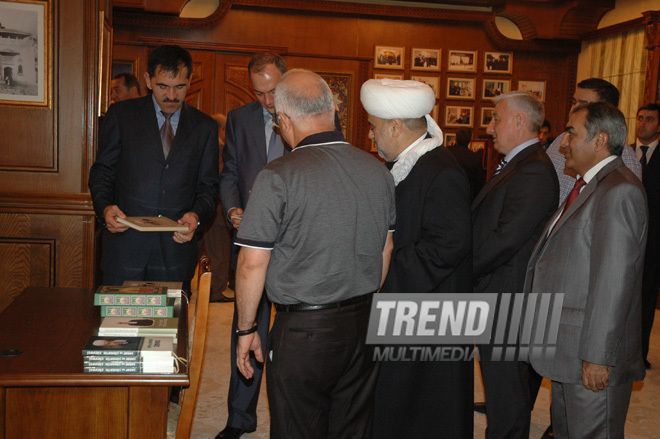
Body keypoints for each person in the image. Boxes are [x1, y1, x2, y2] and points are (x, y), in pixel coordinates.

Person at [234, 69, 395, 439]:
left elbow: (252, 263)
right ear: (331, 110)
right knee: (353, 426)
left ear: (285, 121)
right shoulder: (378, 170)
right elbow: (385, 248)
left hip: (305, 331)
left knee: (298, 428)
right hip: (365, 323)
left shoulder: (277, 175)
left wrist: (246, 329)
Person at [524, 102, 647, 438]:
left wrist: (597, 357)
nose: (563, 142)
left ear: (599, 140)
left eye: (572, 133)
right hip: (567, 351)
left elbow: (614, 282)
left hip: (589, 357)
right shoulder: (588, 185)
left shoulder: (619, 190)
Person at [361, 79, 473, 438]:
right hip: (413, 306)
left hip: (430, 313)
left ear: (396, 127)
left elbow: (448, 245)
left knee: (426, 409)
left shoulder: (440, 170)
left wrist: (383, 270)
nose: (371, 136)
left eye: (374, 128)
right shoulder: (416, 162)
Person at [89, 45, 219, 289]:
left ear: (190, 81)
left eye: (179, 86)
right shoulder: (121, 115)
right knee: (118, 325)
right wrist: (105, 208)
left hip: (175, 251)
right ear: (148, 80)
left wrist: (196, 215)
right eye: (162, 86)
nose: (171, 95)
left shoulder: (205, 127)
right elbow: (102, 172)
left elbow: (208, 187)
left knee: (170, 325)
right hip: (125, 248)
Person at [472, 91, 559, 439]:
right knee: (501, 392)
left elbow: (507, 239)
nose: (490, 127)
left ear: (519, 122)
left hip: (510, 298)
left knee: (507, 397)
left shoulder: (534, 168)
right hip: (500, 292)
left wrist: (463, 268)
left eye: (496, 118)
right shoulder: (520, 164)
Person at [216, 52, 288, 439]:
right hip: (252, 240)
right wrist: (232, 209)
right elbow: (229, 172)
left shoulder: (308, 115)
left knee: (291, 337)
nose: (267, 101)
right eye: (259, 93)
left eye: (273, 91)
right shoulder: (241, 119)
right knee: (247, 328)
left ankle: (289, 419)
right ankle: (239, 418)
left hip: (295, 243)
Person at [546, 78, 641, 204]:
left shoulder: (624, 155)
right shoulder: (560, 140)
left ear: (606, 110)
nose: (574, 109)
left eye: (584, 104)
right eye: (574, 102)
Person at [634, 103, 660, 369]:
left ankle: (638, 355)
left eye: (650, 119)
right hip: (628, 238)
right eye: (640, 118)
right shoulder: (624, 153)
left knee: (646, 297)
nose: (642, 124)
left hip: (654, 241)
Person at [198, 113, 233, 303]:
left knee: (209, 249)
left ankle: (213, 287)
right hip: (217, 211)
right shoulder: (220, 150)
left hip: (205, 209)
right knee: (218, 250)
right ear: (221, 130)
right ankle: (216, 289)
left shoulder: (205, 147)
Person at [447, 127, 486, 199]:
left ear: (456, 138)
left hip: (446, 195)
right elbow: (479, 185)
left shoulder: (446, 153)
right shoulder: (475, 158)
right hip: (466, 198)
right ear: (470, 140)